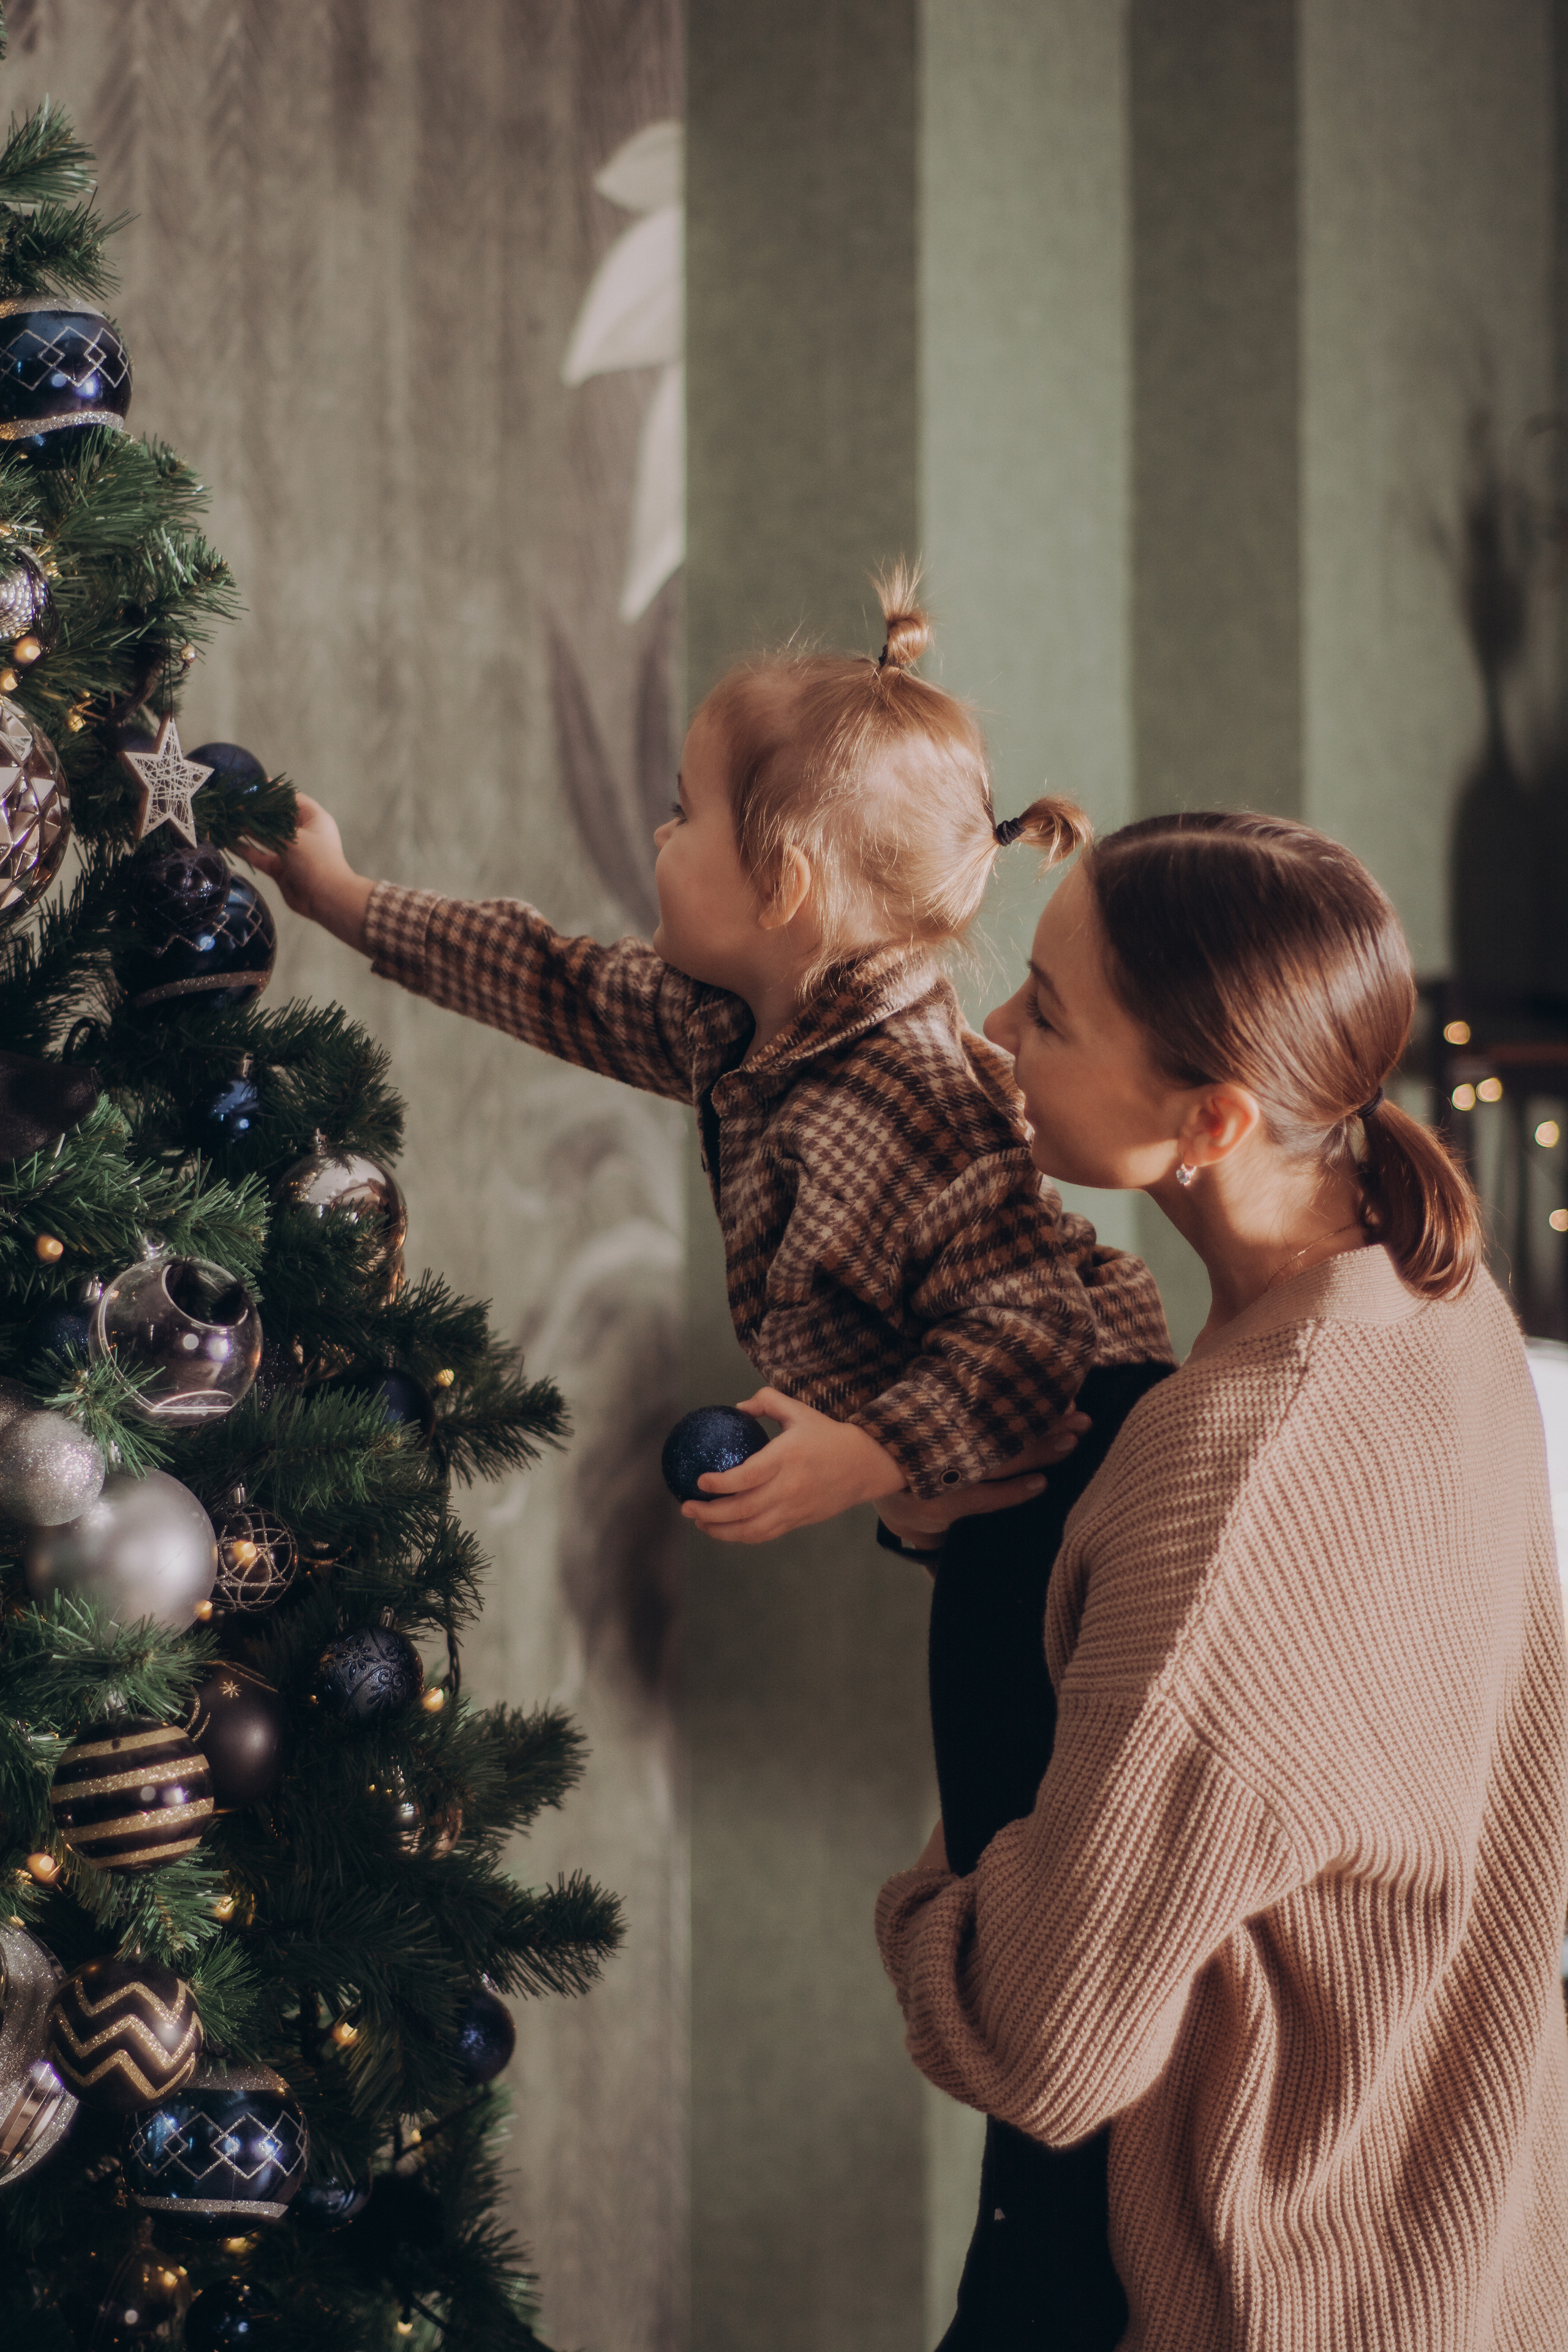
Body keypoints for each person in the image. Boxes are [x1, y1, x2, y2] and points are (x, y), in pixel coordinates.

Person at [856, 809, 1568, 2350]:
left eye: (1048, 1014)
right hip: (1480, 2255)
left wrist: (922, 1907)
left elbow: (1039, 2045)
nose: (992, 1037)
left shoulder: (1236, 1471)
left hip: (1277, 2302)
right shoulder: (1437, 1302)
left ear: (1213, 1121)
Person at [244, 576, 1171, 1539]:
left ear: (782, 887)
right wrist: (341, 895)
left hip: (1076, 1426)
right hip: (954, 1447)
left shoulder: (913, 1102)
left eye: (684, 814)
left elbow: (1036, 1329)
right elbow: (544, 977)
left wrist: (871, 1456)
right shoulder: (730, 1017)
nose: (660, 834)